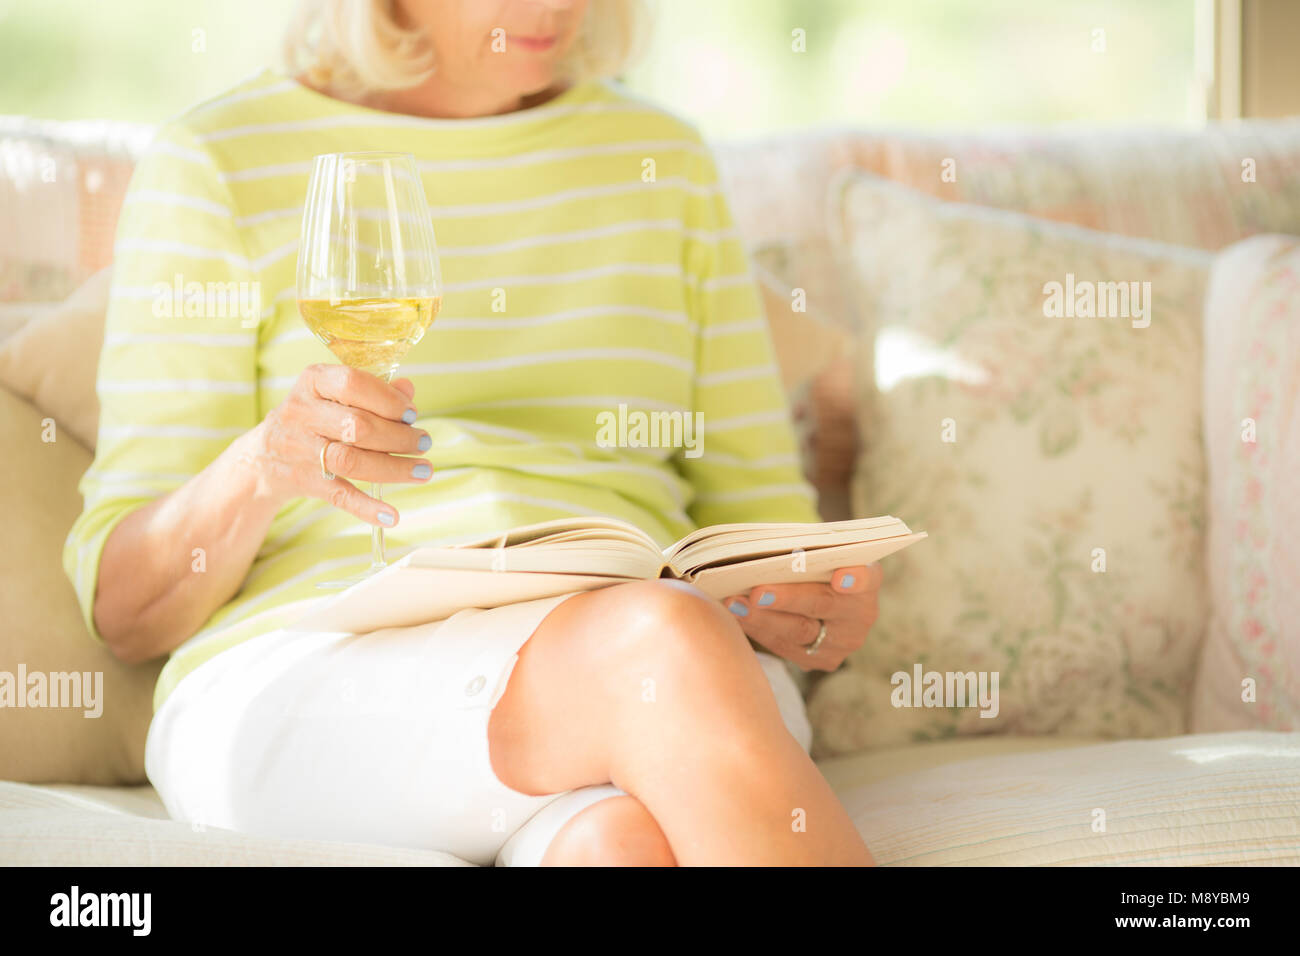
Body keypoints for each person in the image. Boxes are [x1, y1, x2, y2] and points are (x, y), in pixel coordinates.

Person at [65, 0, 881, 866]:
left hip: (655, 666)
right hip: (320, 673)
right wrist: (261, 467)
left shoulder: (662, 160)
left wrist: (807, 595)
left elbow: (761, 516)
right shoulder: (220, 161)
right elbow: (127, 612)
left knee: (621, 844)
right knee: (664, 642)